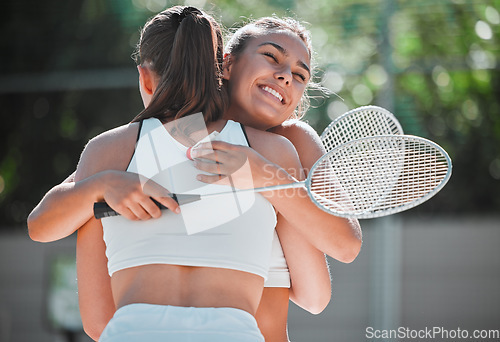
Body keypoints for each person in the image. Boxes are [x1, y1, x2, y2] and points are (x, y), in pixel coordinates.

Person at [27, 9, 362, 342]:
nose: (286, 76)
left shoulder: (289, 145)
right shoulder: (140, 147)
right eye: (271, 56)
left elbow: (321, 285)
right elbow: (60, 208)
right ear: (225, 64)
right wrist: (100, 187)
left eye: (300, 76)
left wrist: (267, 178)